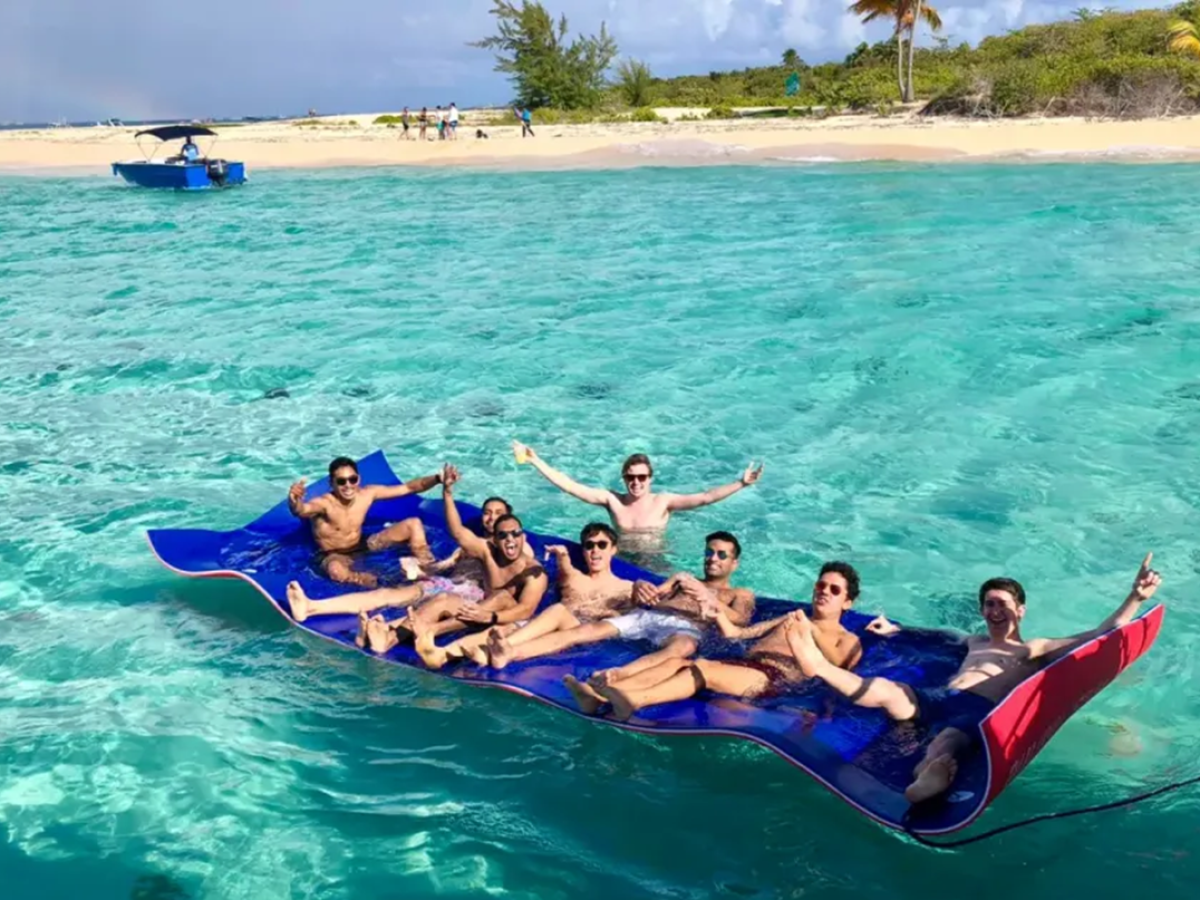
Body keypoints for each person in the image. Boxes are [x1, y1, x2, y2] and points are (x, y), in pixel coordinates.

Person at [790, 554, 1163, 804]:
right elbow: (931, 634)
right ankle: (818, 666)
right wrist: (894, 628)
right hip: (937, 697)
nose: (995, 610)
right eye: (989, 604)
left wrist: (1135, 598)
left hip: (974, 711)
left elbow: (1099, 634)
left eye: (1002, 603)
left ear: (1020, 610)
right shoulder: (972, 641)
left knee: (947, 742)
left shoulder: (1034, 648)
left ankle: (926, 779)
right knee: (890, 692)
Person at [579, 562, 863, 722]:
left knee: (703, 668)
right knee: (677, 661)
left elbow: (837, 669)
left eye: (834, 589)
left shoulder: (846, 639)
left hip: (773, 681)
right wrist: (712, 607)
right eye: (820, 586)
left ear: (847, 602)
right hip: (745, 665)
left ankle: (633, 701)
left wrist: (809, 632)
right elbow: (737, 634)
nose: (824, 592)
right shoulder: (791, 617)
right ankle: (602, 695)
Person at [367, 465, 550, 661]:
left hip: (507, 619)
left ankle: (430, 631)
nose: (510, 539)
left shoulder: (533, 571)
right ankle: (389, 639)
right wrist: (447, 492)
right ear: (495, 540)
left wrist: (490, 617)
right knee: (443, 599)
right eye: (503, 535)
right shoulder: (488, 551)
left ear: (523, 536)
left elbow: (525, 610)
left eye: (516, 534)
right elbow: (458, 532)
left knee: (502, 597)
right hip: (480, 607)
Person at [561, 531, 756, 701]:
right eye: (709, 552)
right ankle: (530, 649)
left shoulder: (741, 593)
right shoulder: (684, 579)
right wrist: (639, 586)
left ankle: (613, 678)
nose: (713, 558)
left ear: (734, 563)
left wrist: (708, 598)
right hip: (648, 618)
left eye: (721, 555)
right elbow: (650, 598)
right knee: (585, 626)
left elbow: (740, 621)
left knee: (683, 647)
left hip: (682, 631)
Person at [419, 522, 635, 670]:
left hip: (577, 632)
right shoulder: (572, 575)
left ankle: (500, 650)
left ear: (613, 549)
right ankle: (442, 654)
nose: (594, 551)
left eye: (601, 545)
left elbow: (623, 622)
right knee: (501, 629)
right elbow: (560, 562)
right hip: (544, 625)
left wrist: (607, 610)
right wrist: (561, 554)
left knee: (558, 611)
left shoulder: (626, 587)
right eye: (589, 545)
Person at [512, 442, 763, 541]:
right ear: (624, 478)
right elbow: (570, 487)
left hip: (656, 561)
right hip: (622, 559)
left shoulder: (663, 501)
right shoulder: (613, 501)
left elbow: (705, 498)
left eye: (642, 477)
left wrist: (740, 483)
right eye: (631, 477)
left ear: (650, 478)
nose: (636, 482)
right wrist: (536, 461)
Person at [287, 456, 442, 587]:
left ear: (358, 479)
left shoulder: (367, 494)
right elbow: (300, 510)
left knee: (413, 524)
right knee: (335, 570)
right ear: (331, 483)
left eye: (352, 479)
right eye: (341, 481)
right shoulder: (324, 504)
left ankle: (427, 566)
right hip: (335, 554)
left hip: (363, 545)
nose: (348, 485)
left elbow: (409, 488)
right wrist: (294, 500)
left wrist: (438, 478)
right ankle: (367, 581)